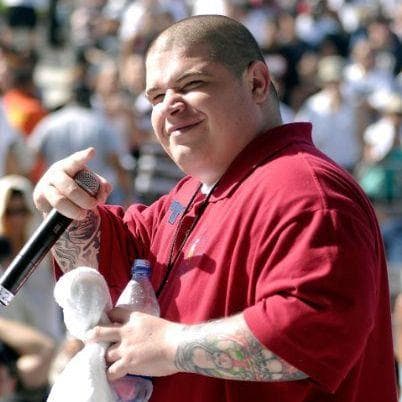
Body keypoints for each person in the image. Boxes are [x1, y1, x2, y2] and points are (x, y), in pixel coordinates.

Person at [33, 14, 398, 402]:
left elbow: (314, 332)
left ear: (257, 83)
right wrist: (69, 208)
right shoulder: (194, 191)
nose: (169, 106)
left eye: (192, 84)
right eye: (155, 97)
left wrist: (171, 346)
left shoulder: (308, 191)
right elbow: (117, 254)